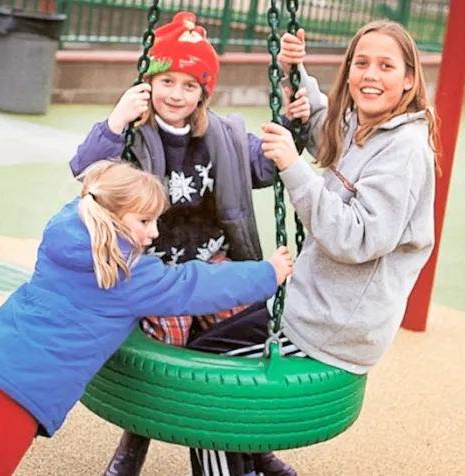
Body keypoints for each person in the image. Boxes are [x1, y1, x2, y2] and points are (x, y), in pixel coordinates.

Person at [187, 19, 441, 475]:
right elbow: (326, 125)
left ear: (409, 80)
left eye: (386, 66)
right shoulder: (365, 124)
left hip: (332, 327)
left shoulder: (404, 151)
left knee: (208, 382)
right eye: (361, 63)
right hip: (311, 305)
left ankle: (237, 463)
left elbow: (356, 237)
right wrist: (295, 71)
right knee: (210, 344)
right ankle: (249, 458)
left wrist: (292, 166)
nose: (370, 75)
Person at [0, 161, 294, 476]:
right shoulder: (126, 274)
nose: (154, 233)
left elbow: (96, 187)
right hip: (19, 392)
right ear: (113, 215)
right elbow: (194, 285)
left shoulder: (62, 235)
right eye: (145, 220)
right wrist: (267, 273)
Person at [70, 11, 307, 476]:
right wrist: (117, 120)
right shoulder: (136, 139)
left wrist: (291, 106)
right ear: (150, 83)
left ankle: (252, 446)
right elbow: (86, 173)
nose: (176, 94)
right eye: (167, 81)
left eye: (189, 85)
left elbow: (273, 161)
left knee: (243, 337)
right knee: (169, 349)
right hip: (158, 268)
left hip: (215, 260)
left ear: (203, 93)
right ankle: (134, 442)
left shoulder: (228, 137)